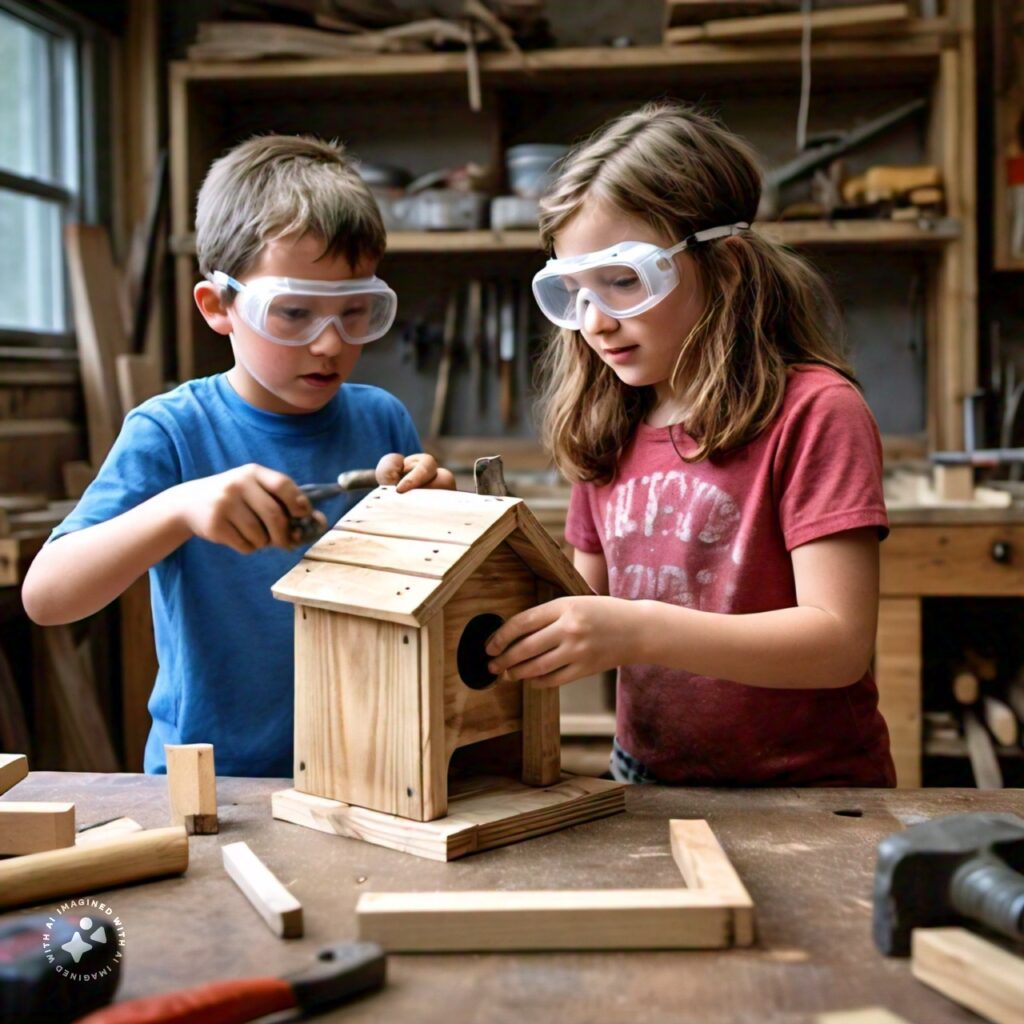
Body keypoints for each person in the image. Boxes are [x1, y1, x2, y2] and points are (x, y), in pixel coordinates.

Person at [485, 102, 895, 787]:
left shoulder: (816, 413)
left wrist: (637, 630)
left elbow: (838, 643)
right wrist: (461, 528)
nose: (595, 323)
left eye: (623, 282)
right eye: (573, 292)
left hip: (811, 790)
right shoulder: (606, 417)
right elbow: (579, 600)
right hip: (648, 779)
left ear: (724, 266)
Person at [22, 135, 453, 777]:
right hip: (212, 784)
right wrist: (178, 510)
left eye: (355, 312)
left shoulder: (381, 418)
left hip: (367, 767)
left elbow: (425, 590)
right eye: (295, 313)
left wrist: (443, 518)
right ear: (219, 306)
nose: (330, 343)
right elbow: (46, 596)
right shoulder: (171, 432)